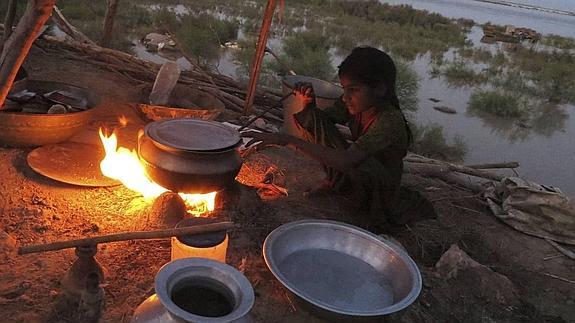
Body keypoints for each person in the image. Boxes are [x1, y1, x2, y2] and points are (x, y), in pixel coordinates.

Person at [242, 46, 415, 229]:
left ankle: (360, 200)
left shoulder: (390, 120)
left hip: (380, 186)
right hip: (359, 171)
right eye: (344, 89)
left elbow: (347, 161)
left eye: (353, 90)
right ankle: (338, 183)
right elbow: (322, 123)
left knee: (352, 158)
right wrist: (309, 104)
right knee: (315, 120)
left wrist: (288, 139)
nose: (346, 97)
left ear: (379, 89)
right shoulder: (358, 104)